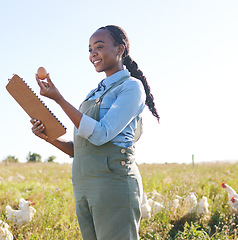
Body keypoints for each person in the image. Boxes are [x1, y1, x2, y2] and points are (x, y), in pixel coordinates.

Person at [31, 25, 160, 240]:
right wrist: (47, 136)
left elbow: (101, 135)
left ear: (120, 49)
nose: (93, 54)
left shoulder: (131, 87)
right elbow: (79, 149)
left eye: (99, 47)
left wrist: (59, 100)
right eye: (90, 49)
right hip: (84, 184)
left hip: (112, 184)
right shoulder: (94, 93)